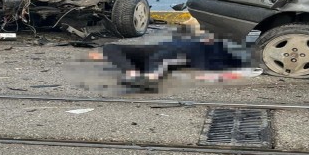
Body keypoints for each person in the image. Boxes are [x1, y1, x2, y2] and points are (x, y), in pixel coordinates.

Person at [87, 29, 255, 92]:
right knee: (110, 47)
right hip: (154, 50)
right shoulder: (199, 42)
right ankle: (134, 73)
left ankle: (145, 77)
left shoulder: (211, 51)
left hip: (168, 54)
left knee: (163, 59)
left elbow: (213, 67)